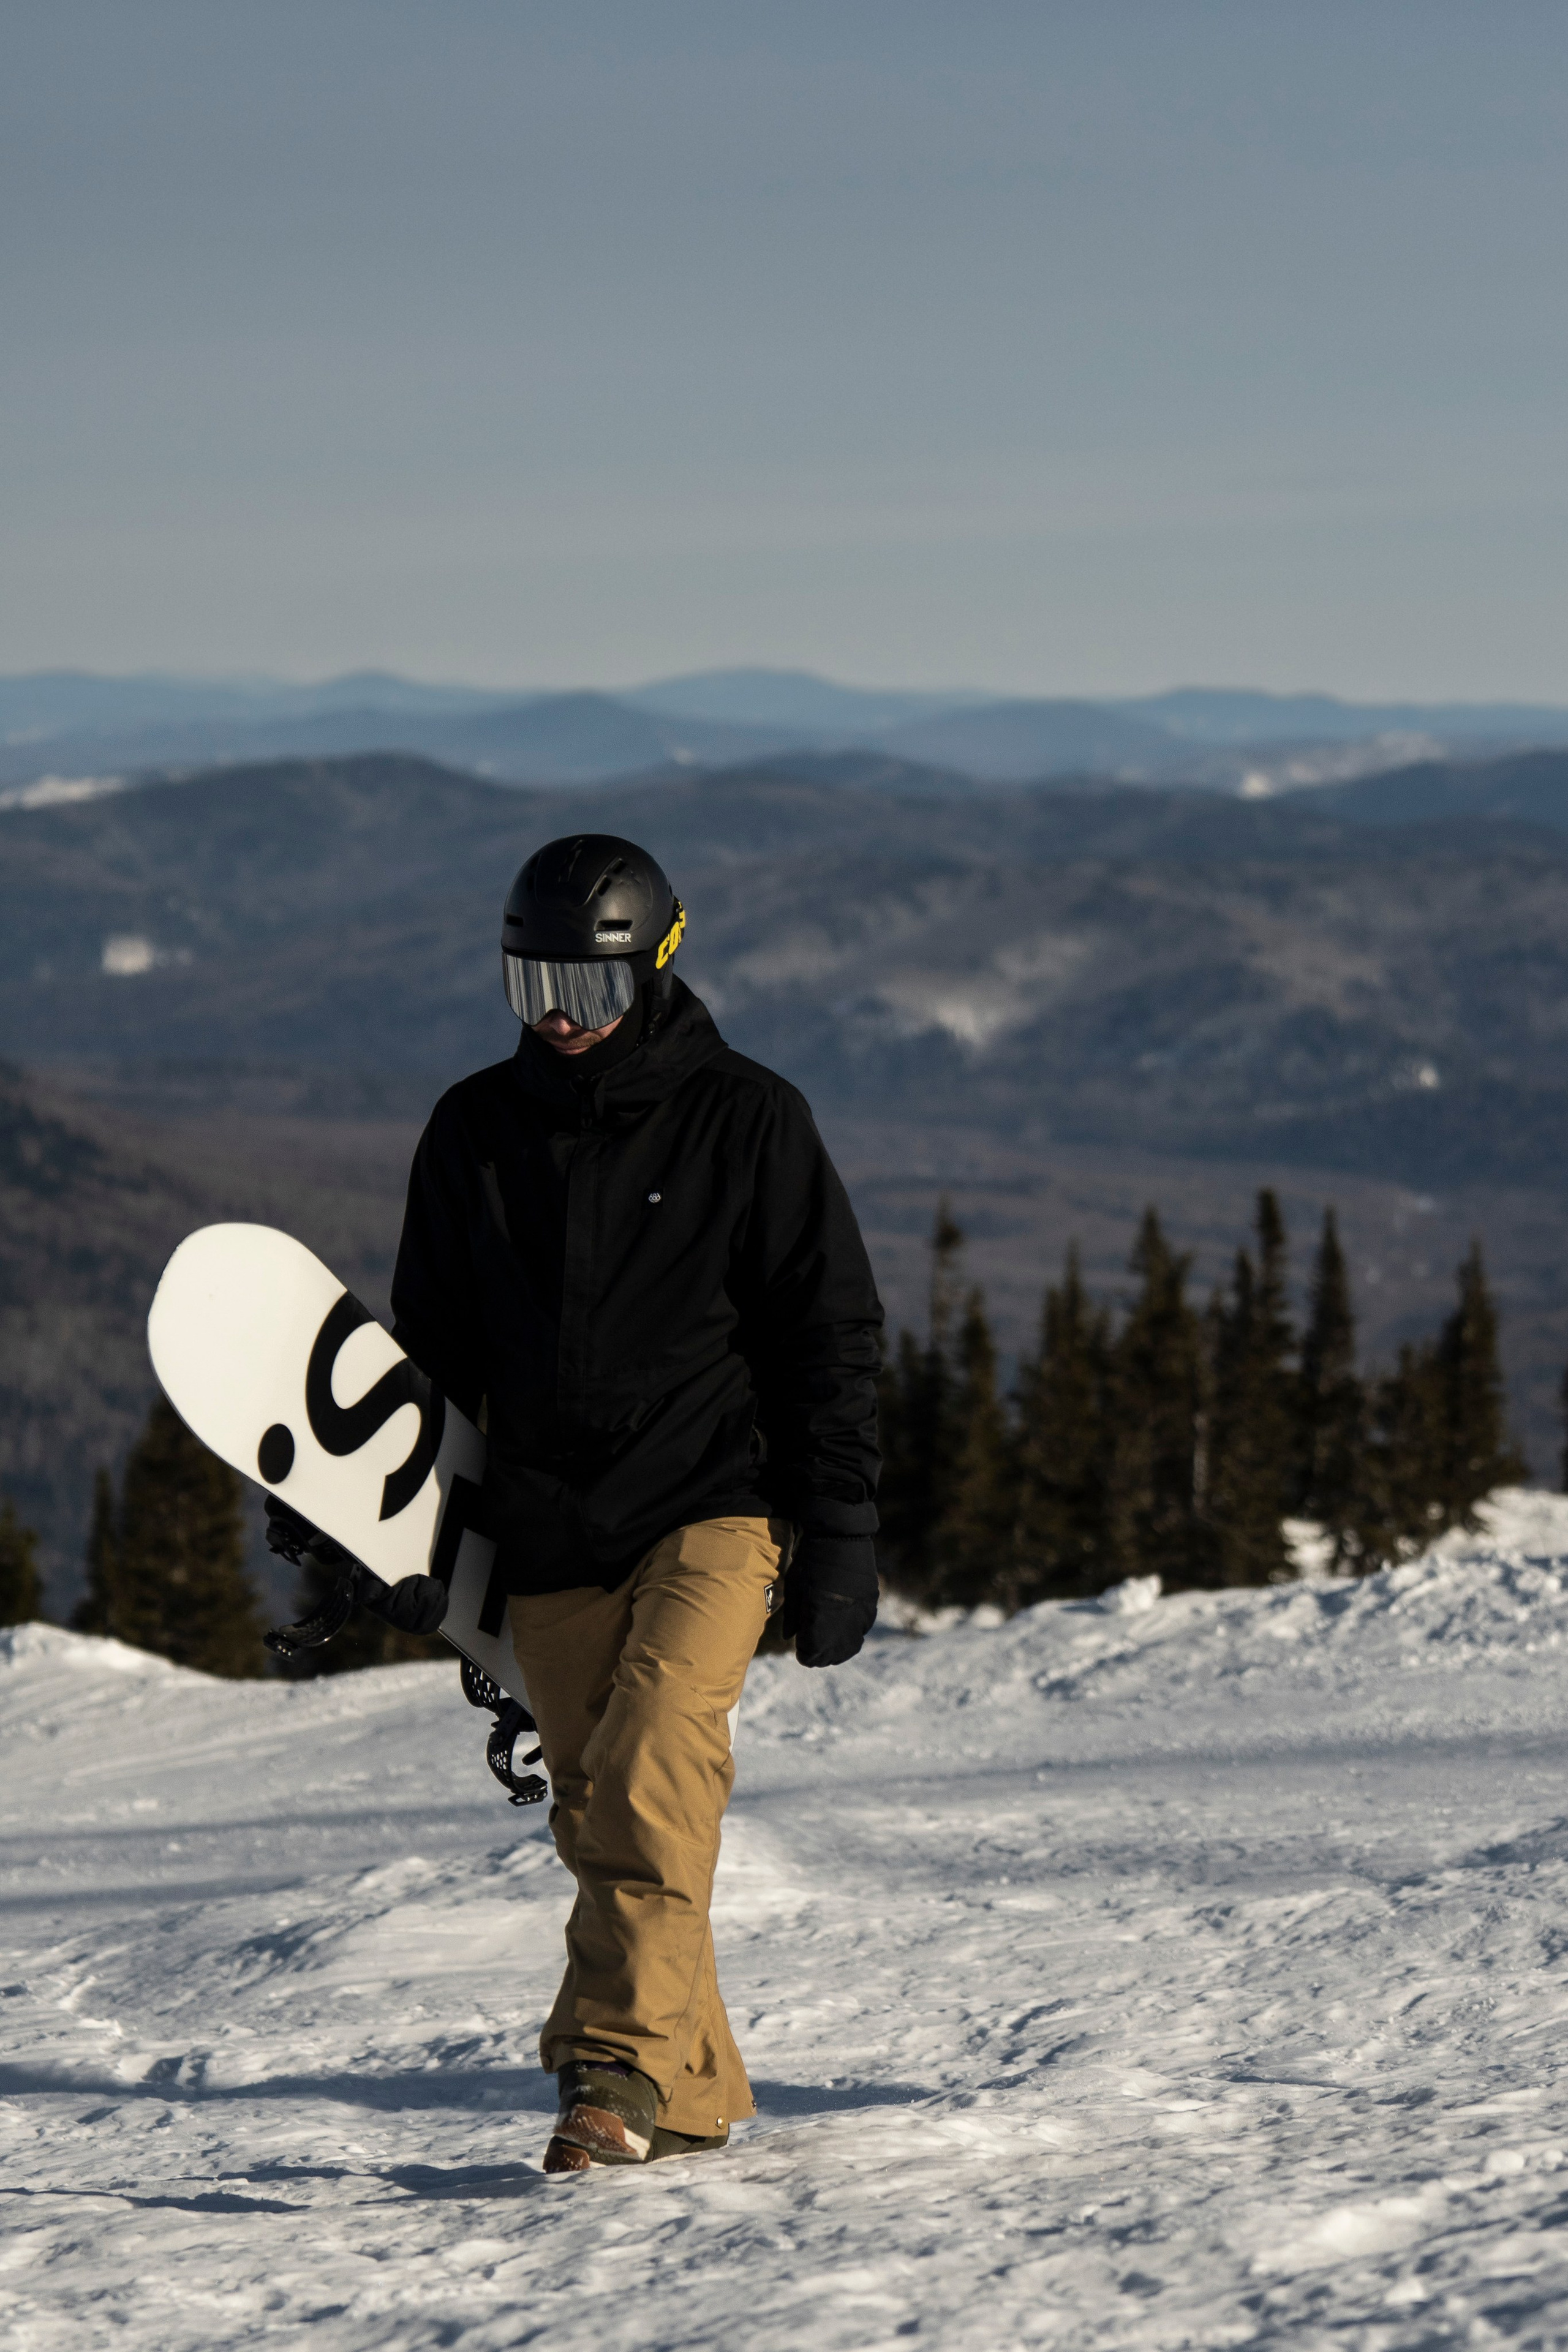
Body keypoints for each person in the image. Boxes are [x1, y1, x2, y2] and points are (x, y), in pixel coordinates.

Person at [387, 833, 883, 2171]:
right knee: (605, 1813)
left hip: (712, 1501)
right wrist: (374, 1537)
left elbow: (823, 1336)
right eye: (531, 985)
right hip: (549, 1525)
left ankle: (605, 2078)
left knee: (658, 1757)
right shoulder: (473, 1134)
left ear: (654, 974)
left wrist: (837, 1532)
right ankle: (695, 2091)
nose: (559, 1017)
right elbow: (427, 1360)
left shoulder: (747, 1119)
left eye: (590, 993)